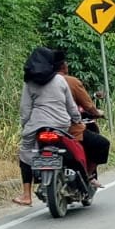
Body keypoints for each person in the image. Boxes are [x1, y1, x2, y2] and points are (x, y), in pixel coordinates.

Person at [15, 46, 83, 206]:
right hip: (61, 123)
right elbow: (71, 106)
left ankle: (26, 195)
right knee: (67, 148)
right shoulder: (60, 80)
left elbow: (25, 109)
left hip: (37, 125)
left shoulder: (29, 82)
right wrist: (77, 118)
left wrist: (26, 126)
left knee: (25, 153)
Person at [56, 54, 110, 183]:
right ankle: (88, 175)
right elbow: (86, 105)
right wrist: (96, 112)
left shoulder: (40, 82)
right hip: (69, 127)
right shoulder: (71, 82)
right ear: (64, 66)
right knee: (102, 144)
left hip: (42, 127)